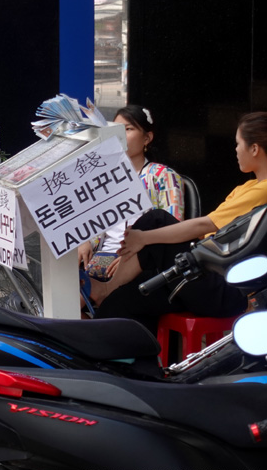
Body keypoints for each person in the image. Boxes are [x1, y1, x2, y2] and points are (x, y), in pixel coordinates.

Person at [90, 112, 267, 334]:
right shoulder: (247, 188)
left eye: (238, 143)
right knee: (126, 298)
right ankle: (128, 361)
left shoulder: (263, 190)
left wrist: (144, 237)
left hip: (227, 287)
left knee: (156, 220)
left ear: (254, 149)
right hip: (200, 273)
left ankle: (107, 289)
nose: (235, 150)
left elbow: (204, 226)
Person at [80, 106, 185, 282]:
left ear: (147, 137)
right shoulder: (105, 176)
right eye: (116, 129)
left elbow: (173, 227)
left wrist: (134, 258)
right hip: (100, 255)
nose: (121, 135)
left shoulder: (162, 175)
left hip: (138, 260)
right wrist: (83, 242)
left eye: (128, 129)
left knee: (78, 297)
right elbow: (91, 220)